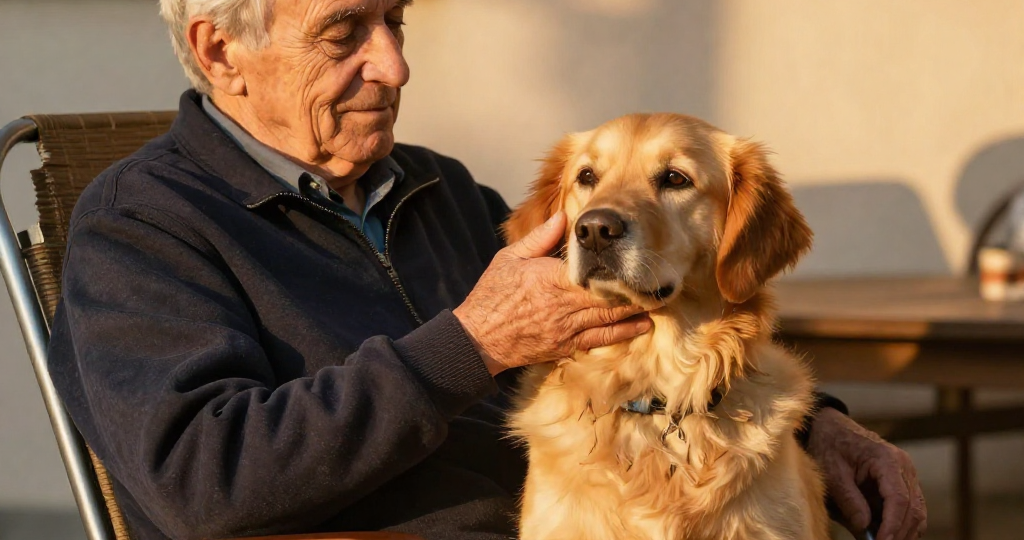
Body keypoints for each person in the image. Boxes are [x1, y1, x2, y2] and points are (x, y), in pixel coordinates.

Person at [47, 1, 927, 539]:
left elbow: (654, 332)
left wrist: (817, 428)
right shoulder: (142, 228)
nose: (393, 65)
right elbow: (205, 482)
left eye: (396, 20)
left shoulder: (436, 187)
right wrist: (472, 343)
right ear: (220, 50)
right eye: (344, 31)